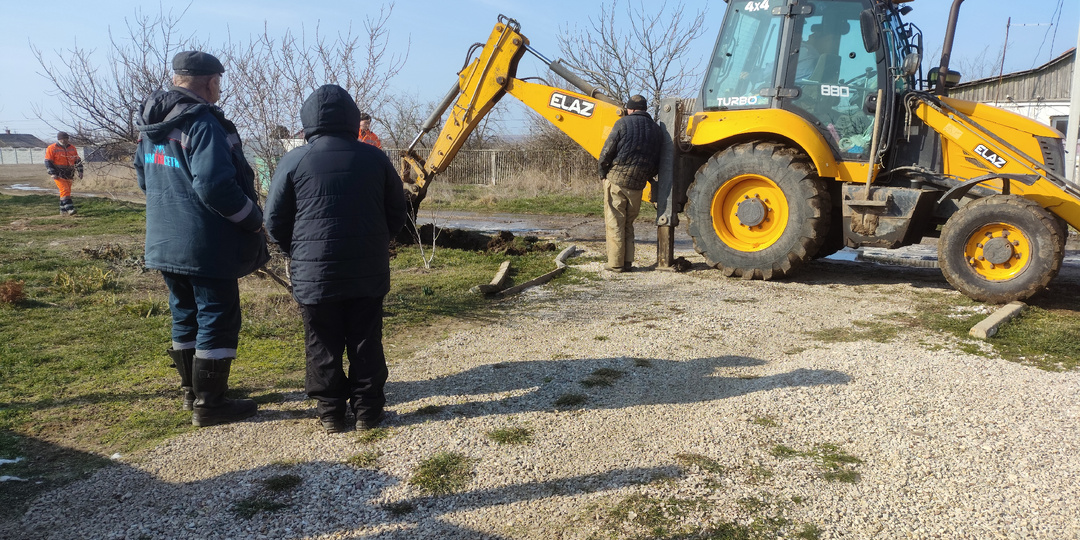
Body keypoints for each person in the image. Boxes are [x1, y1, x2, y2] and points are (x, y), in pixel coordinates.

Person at [134, 51, 269, 427]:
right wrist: (253, 219)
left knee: (185, 314)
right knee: (217, 316)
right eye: (219, 83)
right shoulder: (204, 123)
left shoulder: (151, 128)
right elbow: (215, 187)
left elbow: (145, 179)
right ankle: (211, 404)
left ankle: (191, 393)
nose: (219, 89)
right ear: (210, 82)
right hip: (204, 244)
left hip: (163, 241)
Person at [265, 84, 407, 434]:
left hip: (315, 272)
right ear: (350, 118)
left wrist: (296, 252)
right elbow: (398, 213)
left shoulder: (294, 160)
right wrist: (378, 243)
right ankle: (368, 411)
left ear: (308, 120)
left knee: (321, 340)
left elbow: (274, 221)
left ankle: (330, 412)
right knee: (365, 338)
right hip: (367, 270)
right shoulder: (375, 157)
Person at [597, 94, 663, 272]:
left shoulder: (623, 123)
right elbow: (658, 161)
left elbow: (608, 150)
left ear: (630, 109)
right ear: (644, 109)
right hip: (638, 184)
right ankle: (627, 262)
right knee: (628, 223)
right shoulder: (656, 130)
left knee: (615, 222)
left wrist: (603, 172)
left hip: (617, 180)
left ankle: (615, 264)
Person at [44, 131, 83, 216]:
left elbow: (77, 160)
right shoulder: (52, 148)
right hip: (58, 173)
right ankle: (70, 208)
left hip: (69, 172)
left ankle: (63, 211)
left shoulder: (72, 148)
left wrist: (80, 171)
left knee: (66, 191)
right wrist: (52, 173)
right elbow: (48, 162)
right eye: (62, 139)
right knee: (64, 189)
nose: (64, 140)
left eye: (66, 139)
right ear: (59, 139)